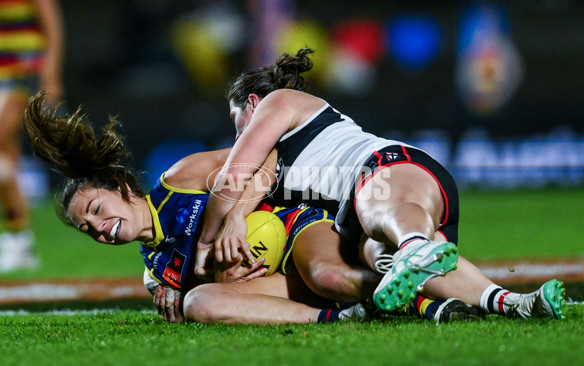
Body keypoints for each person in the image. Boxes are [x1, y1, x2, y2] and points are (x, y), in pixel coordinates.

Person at [23, 92, 482, 325]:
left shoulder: (179, 179)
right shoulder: (155, 271)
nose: (100, 229)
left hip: (296, 226)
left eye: (98, 210)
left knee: (331, 276)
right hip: (274, 278)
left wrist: (236, 216)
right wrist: (208, 286)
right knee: (200, 302)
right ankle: (341, 318)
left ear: (123, 187)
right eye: (89, 229)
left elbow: (265, 161)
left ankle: (431, 300)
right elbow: (213, 285)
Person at [194, 48, 565, 317]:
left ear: (253, 103)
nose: (236, 131)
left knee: (378, 215)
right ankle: (513, 303)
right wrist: (236, 218)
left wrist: (204, 247)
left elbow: (231, 176)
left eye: (235, 118)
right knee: (376, 252)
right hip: (364, 214)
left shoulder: (280, 100)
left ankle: (414, 245)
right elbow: (256, 181)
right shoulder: (279, 160)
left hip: (387, 170)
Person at [0, 0, 64, 272]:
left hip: (23, 71)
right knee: (5, 158)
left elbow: (52, 26)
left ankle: (18, 240)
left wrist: (51, 75)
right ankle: (19, 238)